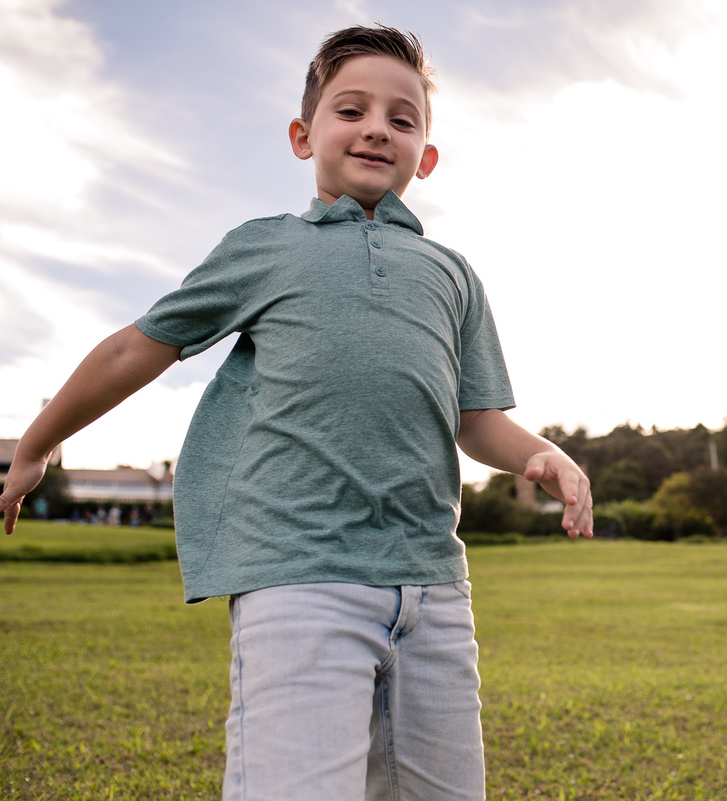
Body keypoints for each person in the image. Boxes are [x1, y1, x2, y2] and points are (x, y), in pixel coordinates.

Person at [0, 24, 592, 801]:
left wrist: (538, 453)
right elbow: (133, 350)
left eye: (403, 119)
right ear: (302, 134)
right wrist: (37, 445)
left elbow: (474, 417)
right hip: (300, 579)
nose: (379, 126)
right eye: (353, 109)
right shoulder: (264, 248)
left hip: (433, 590)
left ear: (428, 156)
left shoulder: (453, 275)